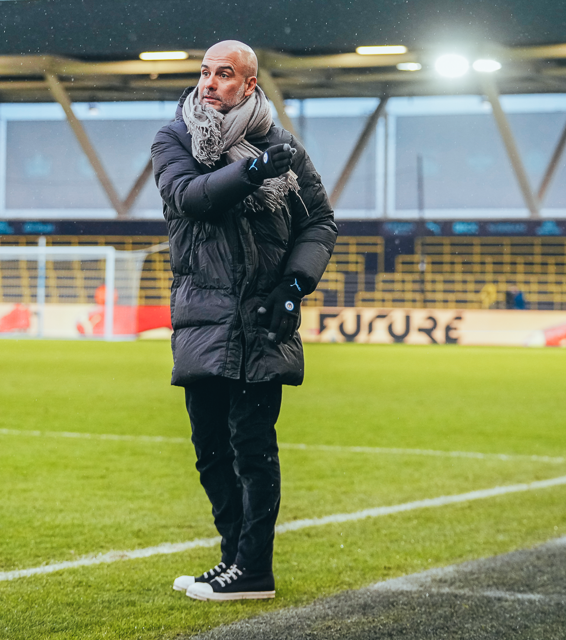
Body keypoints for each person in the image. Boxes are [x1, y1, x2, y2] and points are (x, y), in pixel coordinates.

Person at [151, 40, 336, 601]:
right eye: (205, 72)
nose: (209, 82)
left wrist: (293, 286)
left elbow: (321, 221)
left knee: (252, 448)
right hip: (203, 321)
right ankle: (234, 559)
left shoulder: (282, 147)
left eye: (224, 74)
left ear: (249, 85)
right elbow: (190, 197)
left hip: (262, 322)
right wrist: (253, 171)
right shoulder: (176, 138)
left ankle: (254, 569)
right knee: (210, 450)